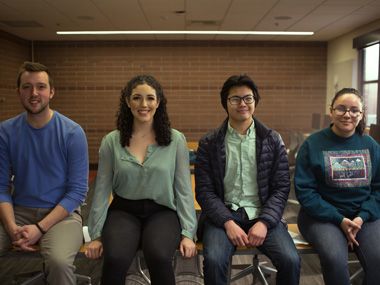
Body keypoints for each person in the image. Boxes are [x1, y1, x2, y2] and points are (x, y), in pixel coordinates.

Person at [85, 75, 197, 285]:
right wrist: (96, 234)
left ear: (159, 102)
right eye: (137, 98)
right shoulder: (112, 141)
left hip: (162, 211)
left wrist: (188, 232)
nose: (143, 104)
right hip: (124, 210)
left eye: (150, 98)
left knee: (159, 256)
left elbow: (183, 190)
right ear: (127, 102)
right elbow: (101, 190)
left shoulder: (175, 140)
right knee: (115, 258)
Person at [195, 74, 300, 285]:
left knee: (291, 260)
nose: (242, 103)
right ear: (225, 103)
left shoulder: (272, 139)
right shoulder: (209, 143)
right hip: (223, 216)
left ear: (255, 102)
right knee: (214, 261)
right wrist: (228, 222)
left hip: (263, 216)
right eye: (235, 99)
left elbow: (281, 187)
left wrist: (264, 222)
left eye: (248, 98)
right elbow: (204, 191)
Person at [0, 61, 89, 285]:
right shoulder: (6, 132)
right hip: (18, 213)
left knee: (58, 262)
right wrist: (12, 229)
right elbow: (1, 187)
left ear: (51, 92)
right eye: (27, 87)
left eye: (40, 86)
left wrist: (40, 228)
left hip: (62, 216)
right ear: (18, 91)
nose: (34, 93)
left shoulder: (72, 133)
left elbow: (77, 192)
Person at [295, 88, 380, 285]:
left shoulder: (371, 145)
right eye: (341, 108)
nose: (347, 114)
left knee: (378, 259)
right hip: (322, 217)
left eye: (353, 110)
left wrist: (361, 217)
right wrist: (339, 219)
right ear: (331, 111)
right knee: (334, 259)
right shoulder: (313, 144)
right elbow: (305, 192)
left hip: (363, 217)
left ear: (361, 114)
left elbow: (378, 189)